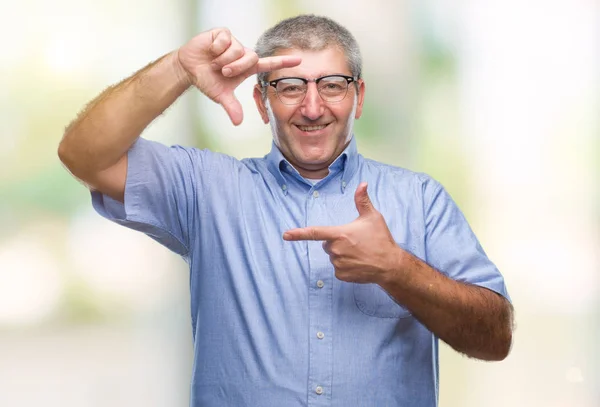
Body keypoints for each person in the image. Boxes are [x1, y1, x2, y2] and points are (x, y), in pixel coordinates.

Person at [58, 14, 513, 407]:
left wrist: (397, 269)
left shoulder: (420, 199)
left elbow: (495, 338)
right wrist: (179, 68)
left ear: (358, 96)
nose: (313, 107)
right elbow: (84, 155)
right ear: (261, 101)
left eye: (332, 85)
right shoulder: (206, 189)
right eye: (290, 86)